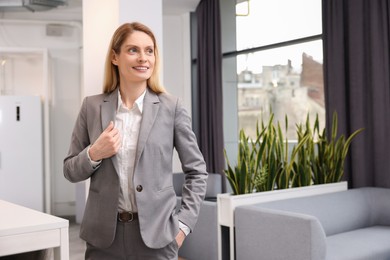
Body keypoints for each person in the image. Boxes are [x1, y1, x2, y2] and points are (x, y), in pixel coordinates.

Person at [63, 22, 208, 260]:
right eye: (133, 50)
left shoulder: (171, 108)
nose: (143, 58)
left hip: (157, 238)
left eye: (149, 51)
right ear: (115, 57)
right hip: (103, 240)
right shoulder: (92, 107)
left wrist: (182, 226)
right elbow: (70, 170)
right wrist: (94, 153)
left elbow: (197, 172)